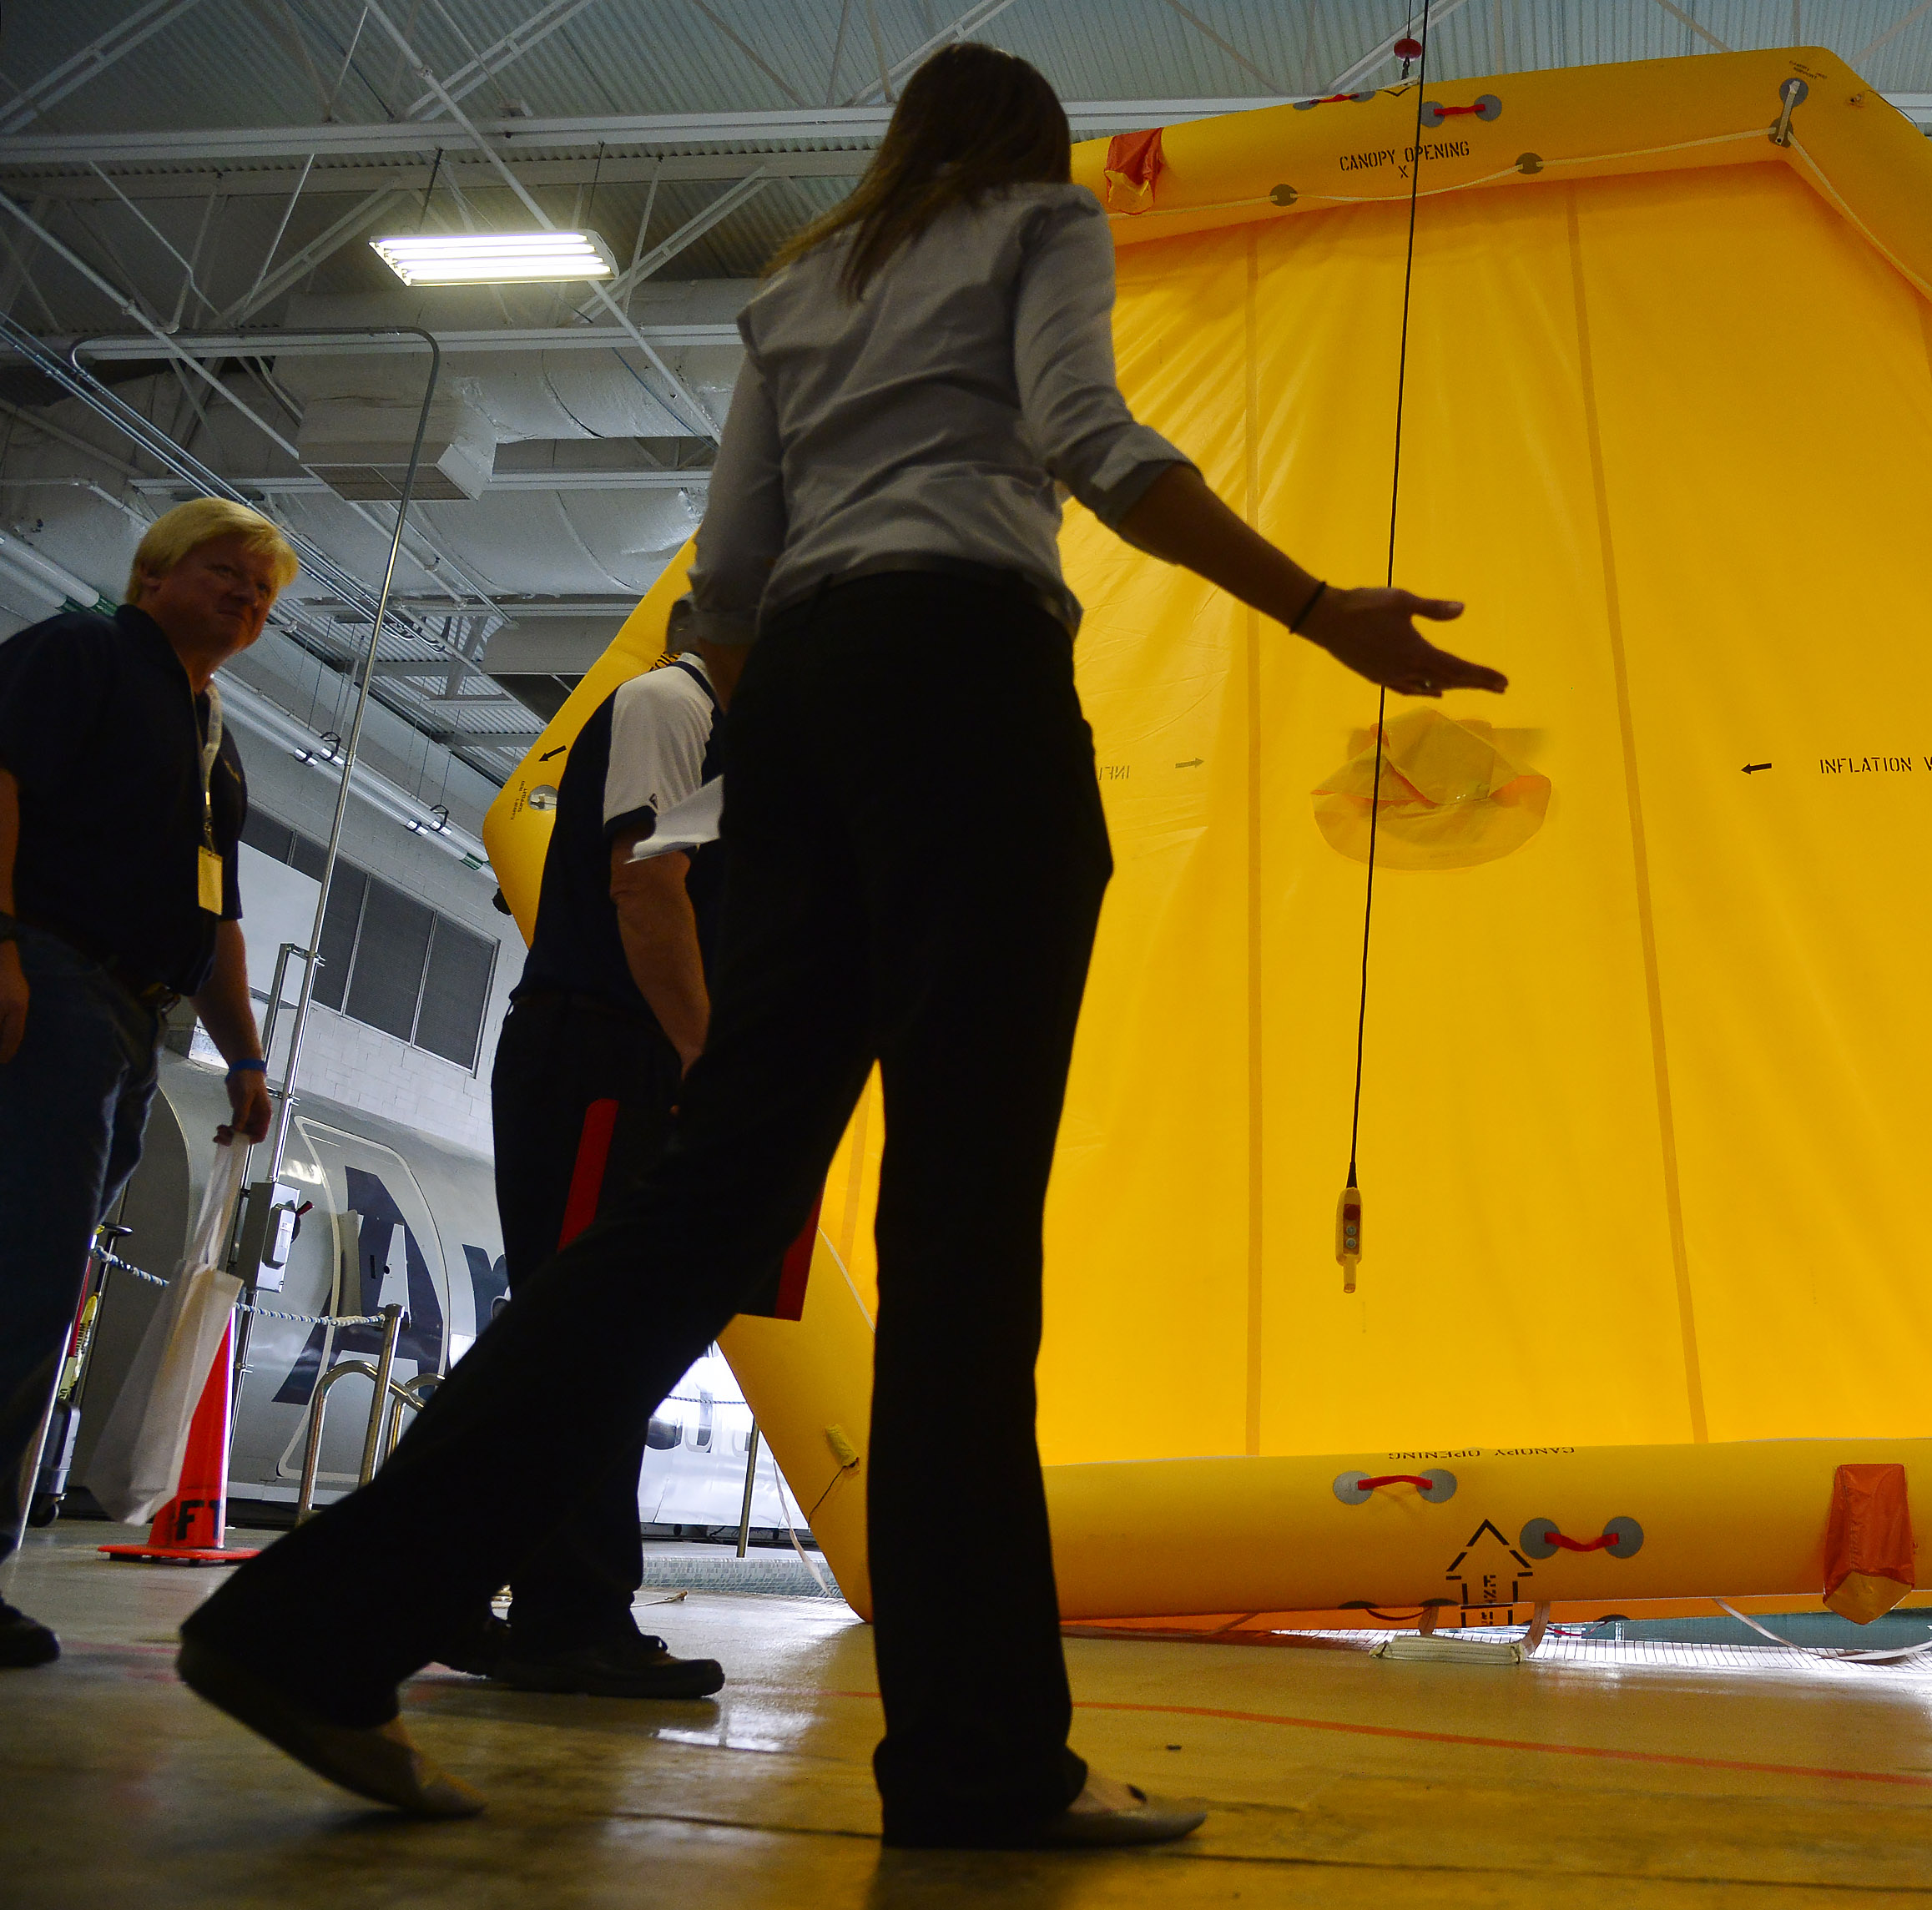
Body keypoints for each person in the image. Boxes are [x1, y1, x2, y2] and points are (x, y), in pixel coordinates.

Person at [178, 42, 1506, 1847]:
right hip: (967, 681)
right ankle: (973, 1755)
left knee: (697, 1203)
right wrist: (1317, 608)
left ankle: (316, 1625)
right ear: (1031, 152)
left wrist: (799, 758)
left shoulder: (803, 283)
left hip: (789, 704)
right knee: (960, 1234)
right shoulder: (1043, 222)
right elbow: (1095, 445)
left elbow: (725, 576)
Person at [0, 499, 294, 1668]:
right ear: (157, 572)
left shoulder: (214, 737)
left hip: (134, 1022)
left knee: (41, 1286)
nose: (247, 599)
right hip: (52, 976)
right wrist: (3, 938)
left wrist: (248, 1054)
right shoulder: (78, 653)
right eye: (226, 573)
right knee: (21, 1274)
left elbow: (215, 913)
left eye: (264, 593)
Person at [436, 602, 734, 1700]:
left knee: (592, 1333)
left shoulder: (722, 733)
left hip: (630, 1051)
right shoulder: (669, 703)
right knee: (585, 1331)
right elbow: (645, 887)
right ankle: (558, 1611)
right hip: (607, 1048)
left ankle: (476, 1581)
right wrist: (708, 1056)